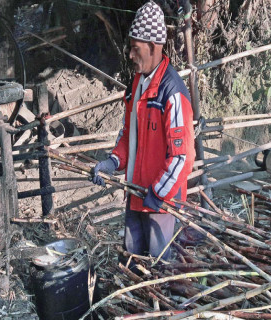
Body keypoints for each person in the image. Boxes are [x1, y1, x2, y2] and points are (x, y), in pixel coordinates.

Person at [91, 1, 196, 259]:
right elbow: (129, 135)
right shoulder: (137, 84)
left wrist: (158, 193)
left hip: (161, 201)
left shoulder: (172, 92)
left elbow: (183, 157)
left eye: (135, 49)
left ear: (153, 47)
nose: (130, 55)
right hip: (135, 192)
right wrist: (112, 161)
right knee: (132, 259)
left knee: (159, 265)